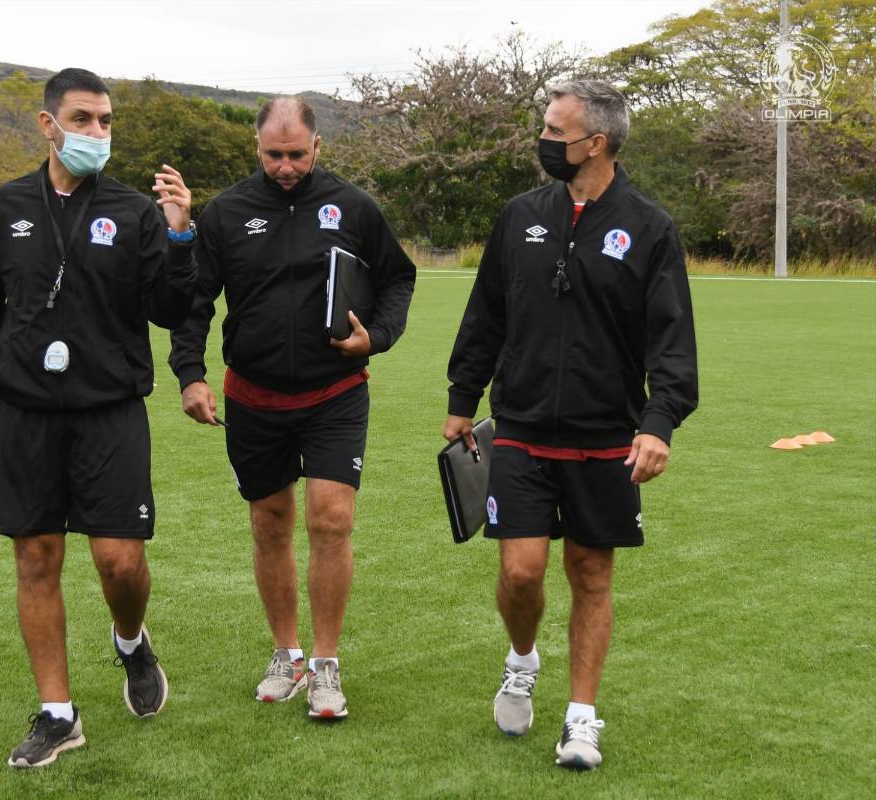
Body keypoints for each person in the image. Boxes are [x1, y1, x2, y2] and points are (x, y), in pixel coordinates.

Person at [0, 67, 198, 769]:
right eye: (83, 119)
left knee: (120, 561)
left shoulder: (134, 212)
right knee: (36, 558)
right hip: (24, 409)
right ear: (47, 124)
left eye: (105, 121)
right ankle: (58, 714)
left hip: (109, 410)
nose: (96, 132)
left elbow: (171, 309)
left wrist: (179, 236)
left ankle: (130, 641)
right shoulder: (6, 206)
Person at [443, 80, 697, 769]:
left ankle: (581, 719)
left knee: (590, 573)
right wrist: (462, 397)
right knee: (521, 572)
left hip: (607, 435)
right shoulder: (520, 215)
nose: (544, 140)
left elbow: (672, 339)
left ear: (597, 143)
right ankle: (521, 661)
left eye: (556, 131)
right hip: (522, 425)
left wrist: (659, 422)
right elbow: (486, 314)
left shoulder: (650, 226)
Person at [169, 96, 416, 720]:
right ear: (257, 149)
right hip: (253, 397)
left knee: (331, 520)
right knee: (270, 523)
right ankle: (288, 654)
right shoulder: (226, 212)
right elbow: (196, 300)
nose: (285, 167)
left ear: (317, 147)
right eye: (273, 155)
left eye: (297, 155)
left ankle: (326, 664)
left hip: (335, 393)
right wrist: (190, 375)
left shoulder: (352, 206)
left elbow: (398, 277)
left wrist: (376, 337)